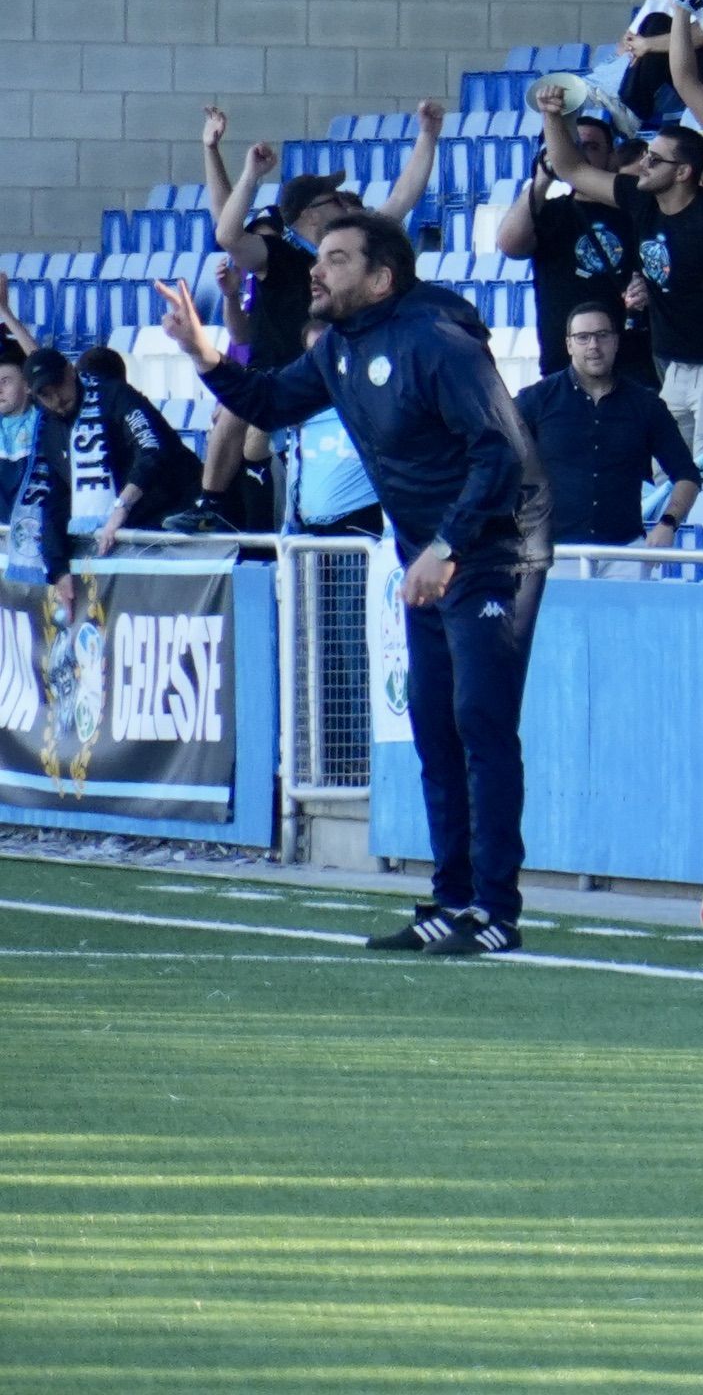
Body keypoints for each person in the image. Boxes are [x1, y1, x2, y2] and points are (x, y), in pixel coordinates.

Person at [157, 214, 549, 955]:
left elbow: (501, 452)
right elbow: (269, 404)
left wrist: (446, 546)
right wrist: (203, 352)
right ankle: (451, 900)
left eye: (336, 259)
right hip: (429, 558)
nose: (316, 270)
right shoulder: (340, 348)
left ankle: (497, 913)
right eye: (319, 257)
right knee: (434, 726)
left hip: (495, 548)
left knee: (480, 721)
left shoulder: (438, 342)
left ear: (381, 279)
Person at [521, 300, 696, 551]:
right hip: (554, 553)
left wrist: (668, 523)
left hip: (625, 552)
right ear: (569, 344)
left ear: (615, 342)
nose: (593, 345)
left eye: (602, 335)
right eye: (583, 337)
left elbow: (687, 474)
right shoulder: (536, 401)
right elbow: (494, 459)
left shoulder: (646, 405)